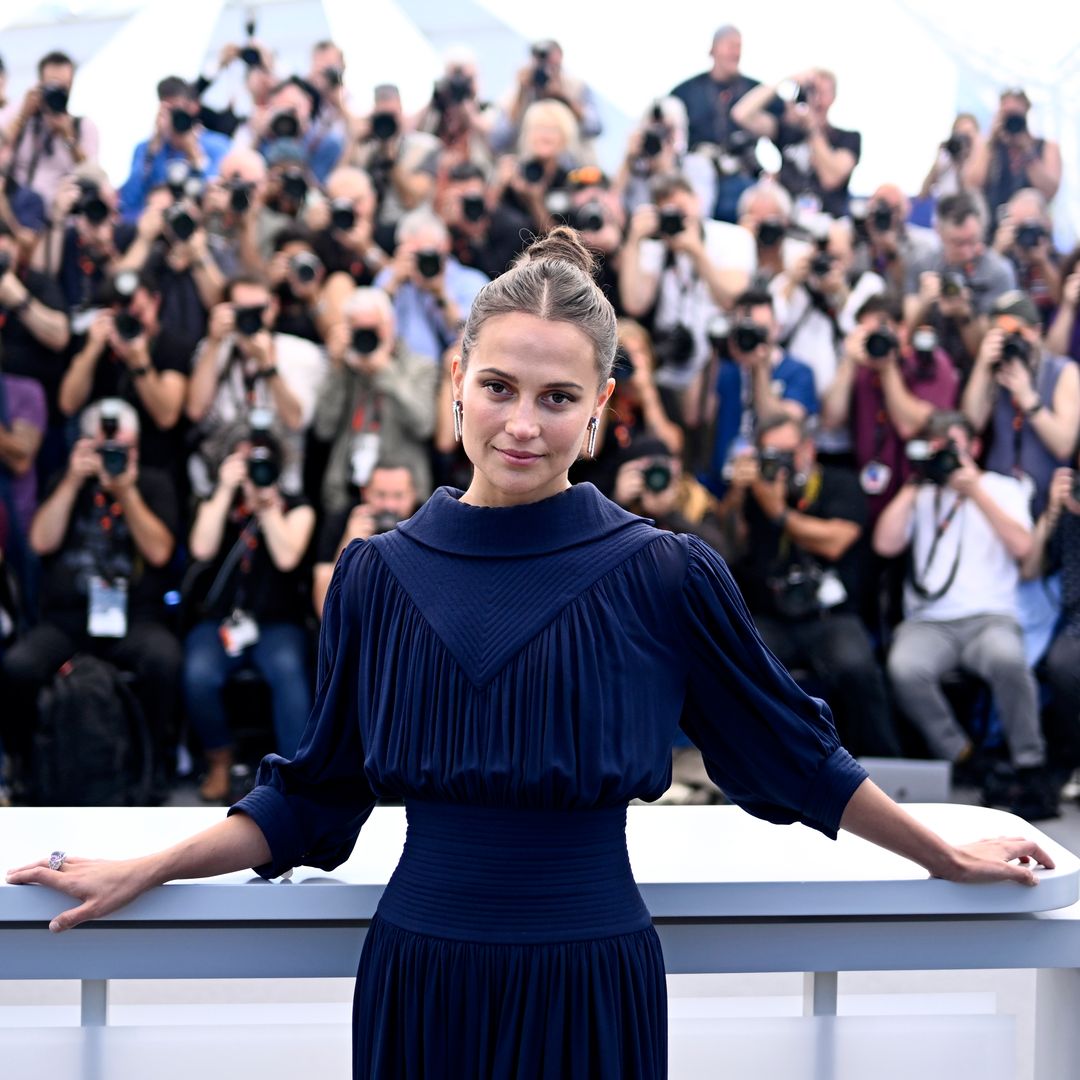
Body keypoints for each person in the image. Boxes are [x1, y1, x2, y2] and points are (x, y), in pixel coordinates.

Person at [4, 229, 1053, 1080]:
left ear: (600, 411)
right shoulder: (374, 574)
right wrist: (147, 866)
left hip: (591, 981)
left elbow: (792, 756)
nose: (522, 424)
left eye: (558, 400)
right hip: (420, 981)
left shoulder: (666, 574)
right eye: (499, 387)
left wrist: (941, 851)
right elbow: (313, 797)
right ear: (456, 380)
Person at [873, 410, 1057, 818]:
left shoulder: (1003, 487)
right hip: (929, 622)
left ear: (974, 447)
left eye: (954, 448)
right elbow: (885, 544)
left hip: (990, 618)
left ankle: (1030, 763)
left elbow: (1024, 548)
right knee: (903, 669)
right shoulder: (921, 493)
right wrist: (914, 483)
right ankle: (966, 757)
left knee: (1010, 662)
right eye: (939, 450)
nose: (947, 458)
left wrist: (976, 493)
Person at [183, 426, 315, 803]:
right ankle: (219, 759)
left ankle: (293, 772)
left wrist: (268, 508)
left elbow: (288, 557)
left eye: (259, 461)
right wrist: (225, 491)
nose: (251, 469)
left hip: (277, 622)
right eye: (243, 461)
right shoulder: (215, 502)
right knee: (198, 673)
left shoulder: (296, 505)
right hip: (220, 620)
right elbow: (201, 548)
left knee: (289, 670)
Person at [963, 88, 1061, 231]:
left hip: (1032, 232)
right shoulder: (987, 146)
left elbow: (1050, 190)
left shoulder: (1047, 147)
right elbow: (972, 185)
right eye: (1006, 114)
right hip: (991, 230)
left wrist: (1027, 152)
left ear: (1026, 112)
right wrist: (991, 141)